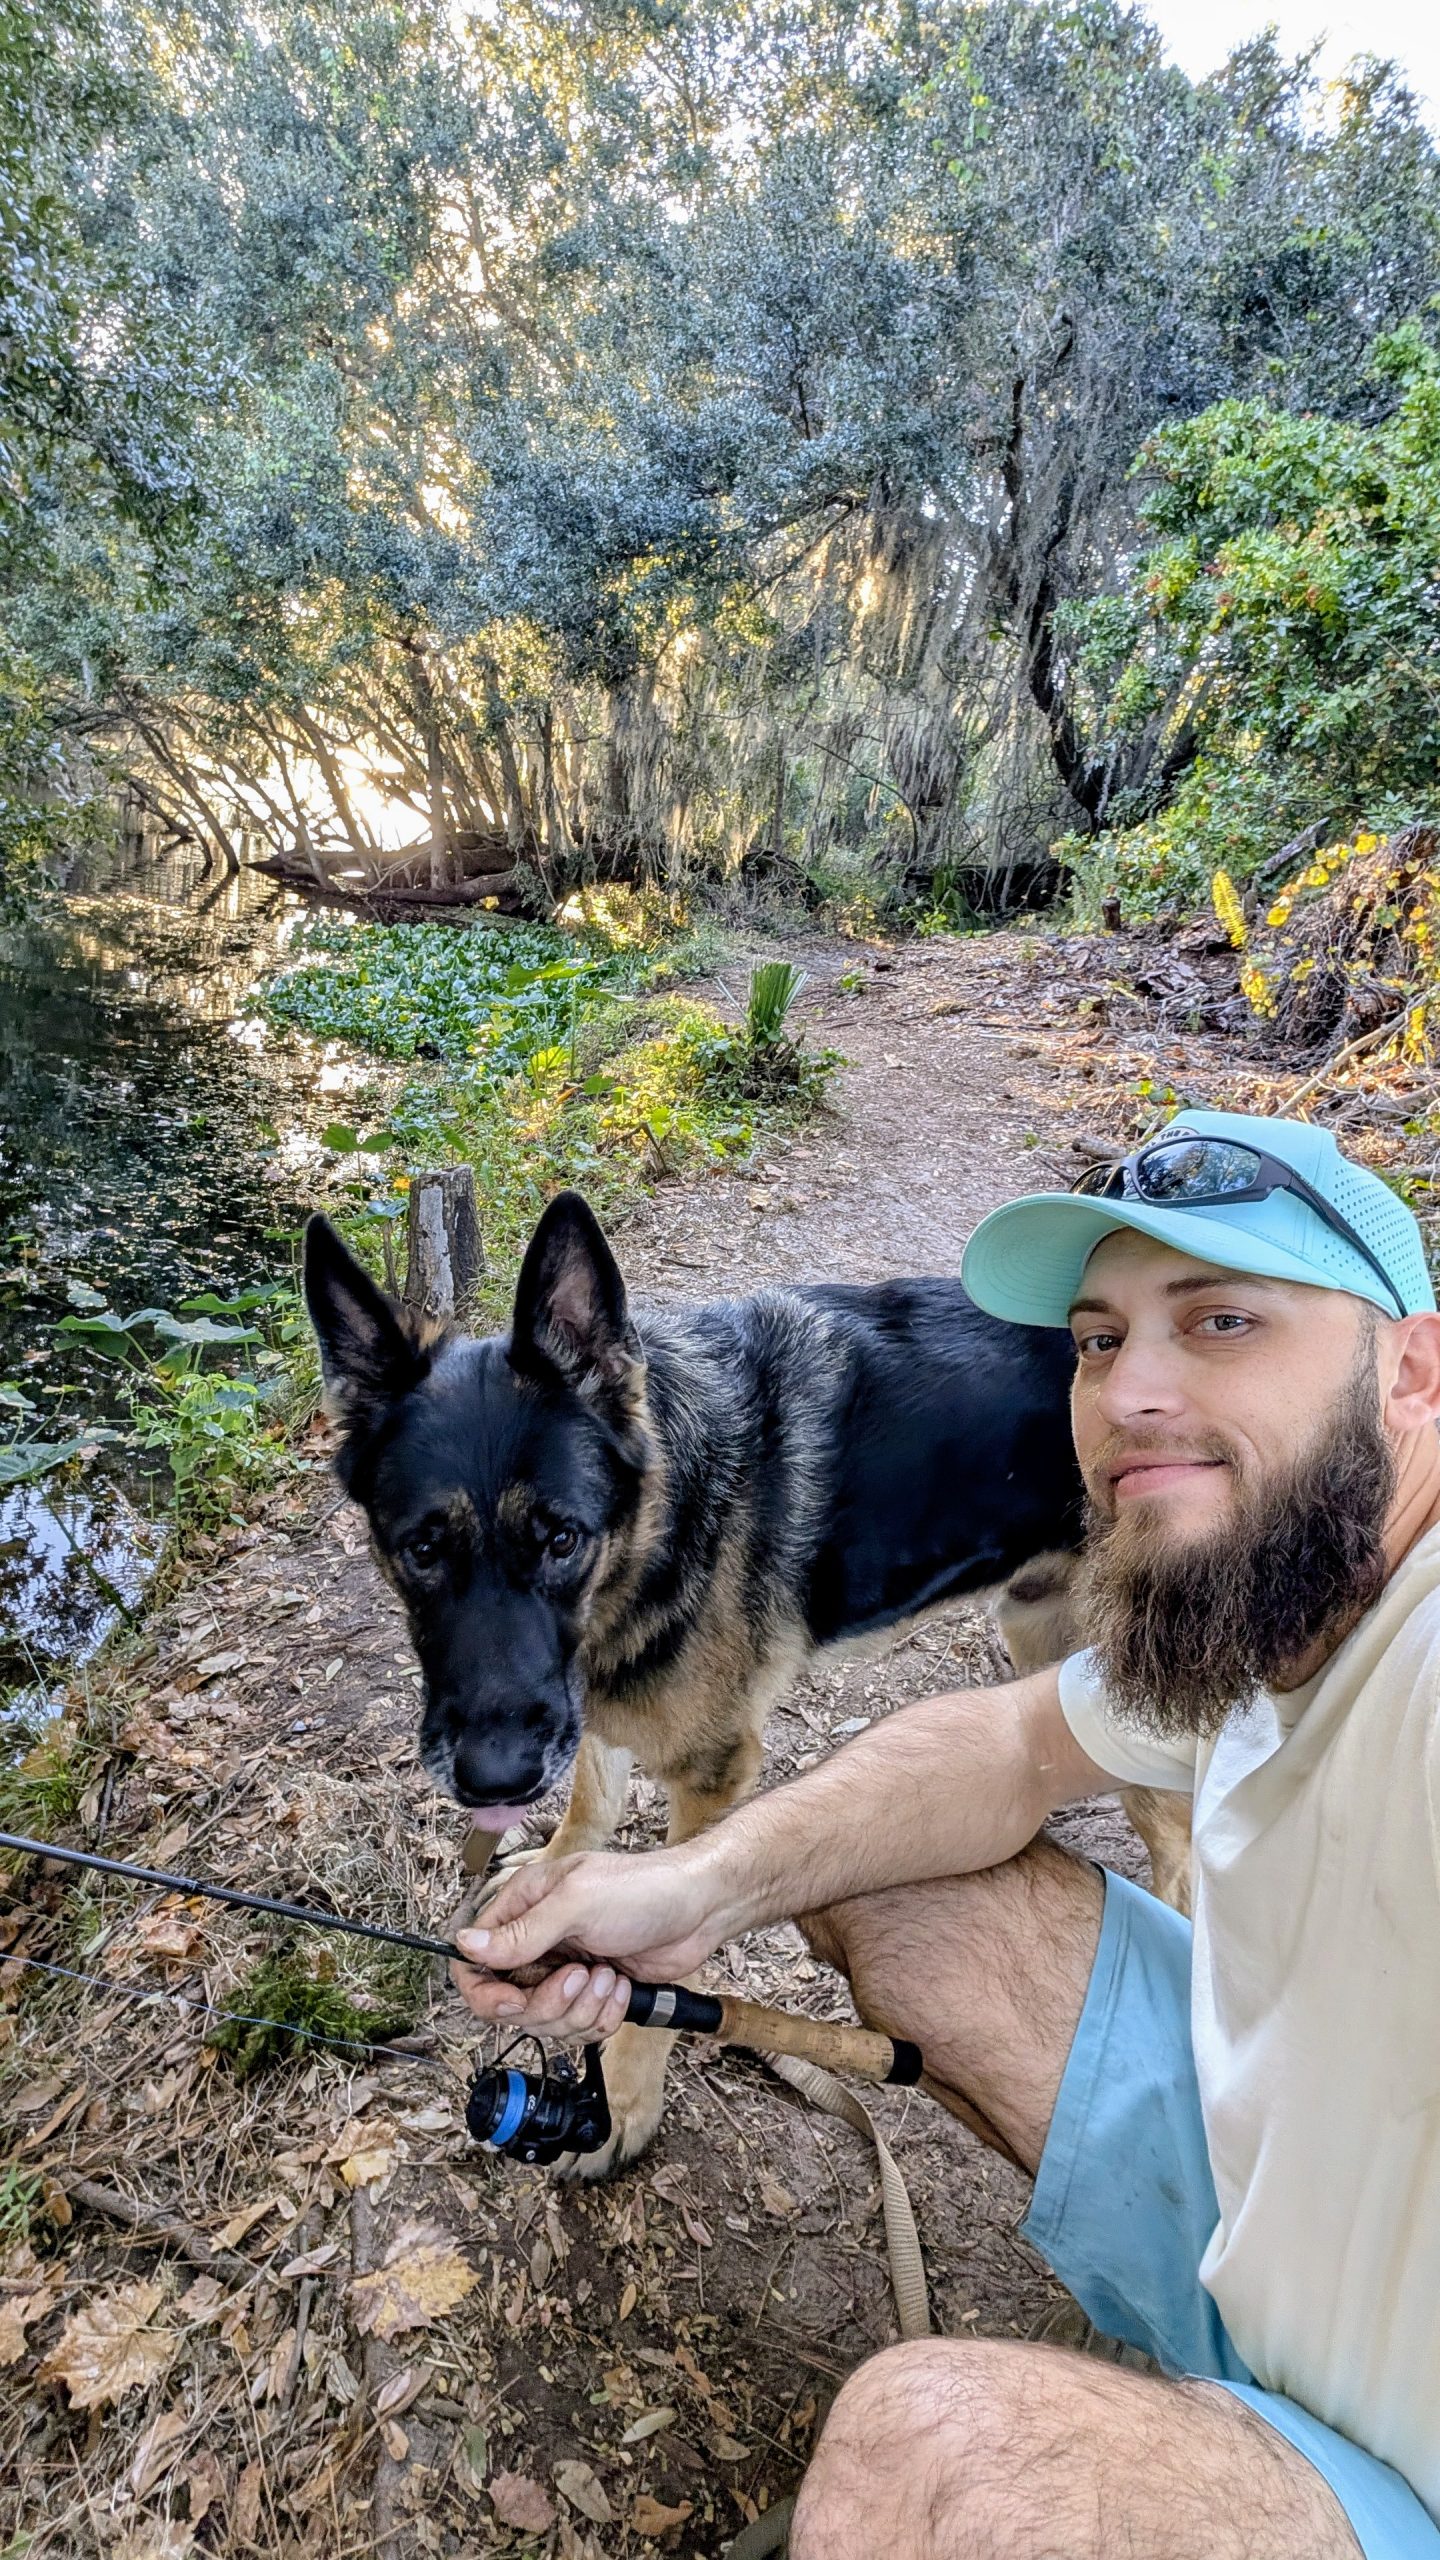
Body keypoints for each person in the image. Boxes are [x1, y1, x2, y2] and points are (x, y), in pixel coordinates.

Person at [454, 1107, 1440, 2560]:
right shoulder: (1270, 1592)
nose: (1130, 1397)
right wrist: (694, 1885)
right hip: (1267, 2200)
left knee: (930, 2462)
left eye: (1224, 1321)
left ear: (1413, 1372)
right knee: (885, 1886)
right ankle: (1209, 2368)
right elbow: (1015, 1738)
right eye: (1100, 1340)